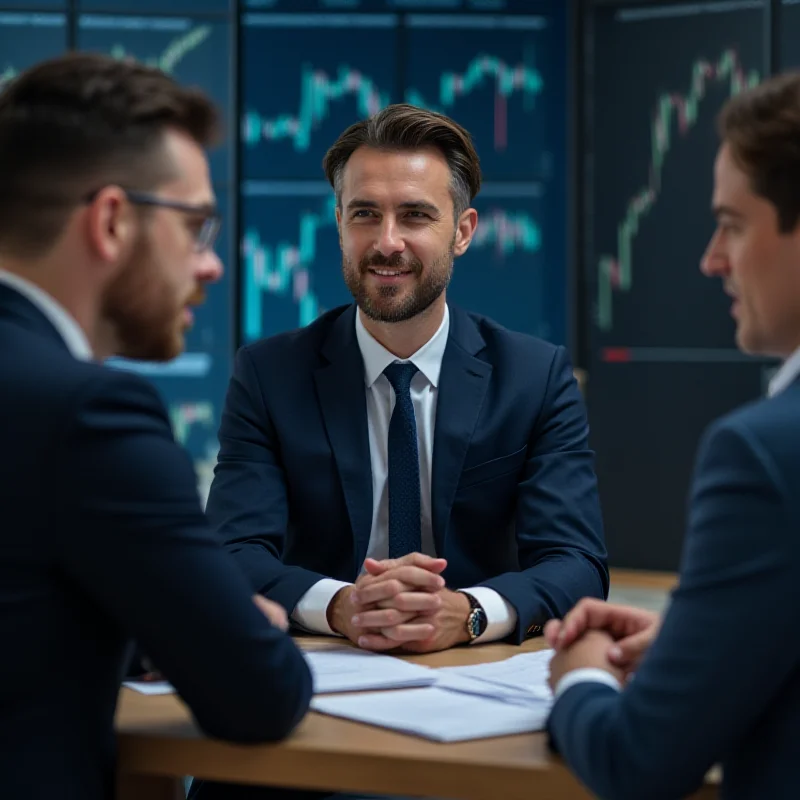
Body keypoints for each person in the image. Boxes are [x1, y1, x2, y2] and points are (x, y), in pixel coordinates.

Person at [0, 53, 313, 800]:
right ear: (111, 220)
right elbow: (259, 696)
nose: (211, 268)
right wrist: (232, 623)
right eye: (196, 227)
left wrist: (147, 625)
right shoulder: (91, 417)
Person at [206, 102, 608, 655]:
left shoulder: (535, 377)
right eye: (365, 213)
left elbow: (577, 563)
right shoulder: (268, 375)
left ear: (463, 231)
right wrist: (342, 605)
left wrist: (465, 612)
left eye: (415, 216)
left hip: (478, 671)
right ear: (339, 222)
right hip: (325, 664)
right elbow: (232, 552)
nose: (387, 241)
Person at [544, 71, 800, 800]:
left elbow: (639, 763)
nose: (712, 259)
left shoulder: (763, 454)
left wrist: (581, 674)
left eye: (734, 224)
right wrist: (701, 641)